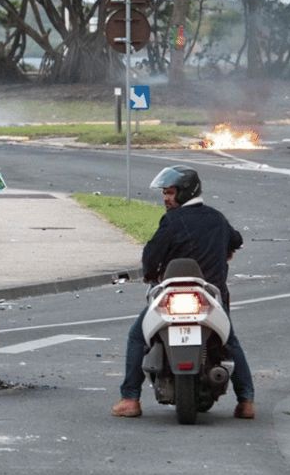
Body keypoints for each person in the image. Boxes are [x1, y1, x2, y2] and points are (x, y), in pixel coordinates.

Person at [111, 166, 255, 420]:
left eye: (170, 193)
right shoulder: (217, 218)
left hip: (173, 298)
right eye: (164, 193)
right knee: (228, 341)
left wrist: (149, 274)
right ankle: (246, 402)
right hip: (211, 298)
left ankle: (130, 398)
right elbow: (236, 240)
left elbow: (151, 254)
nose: (166, 198)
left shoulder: (172, 221)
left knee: (138, 337)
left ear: (186, 192)